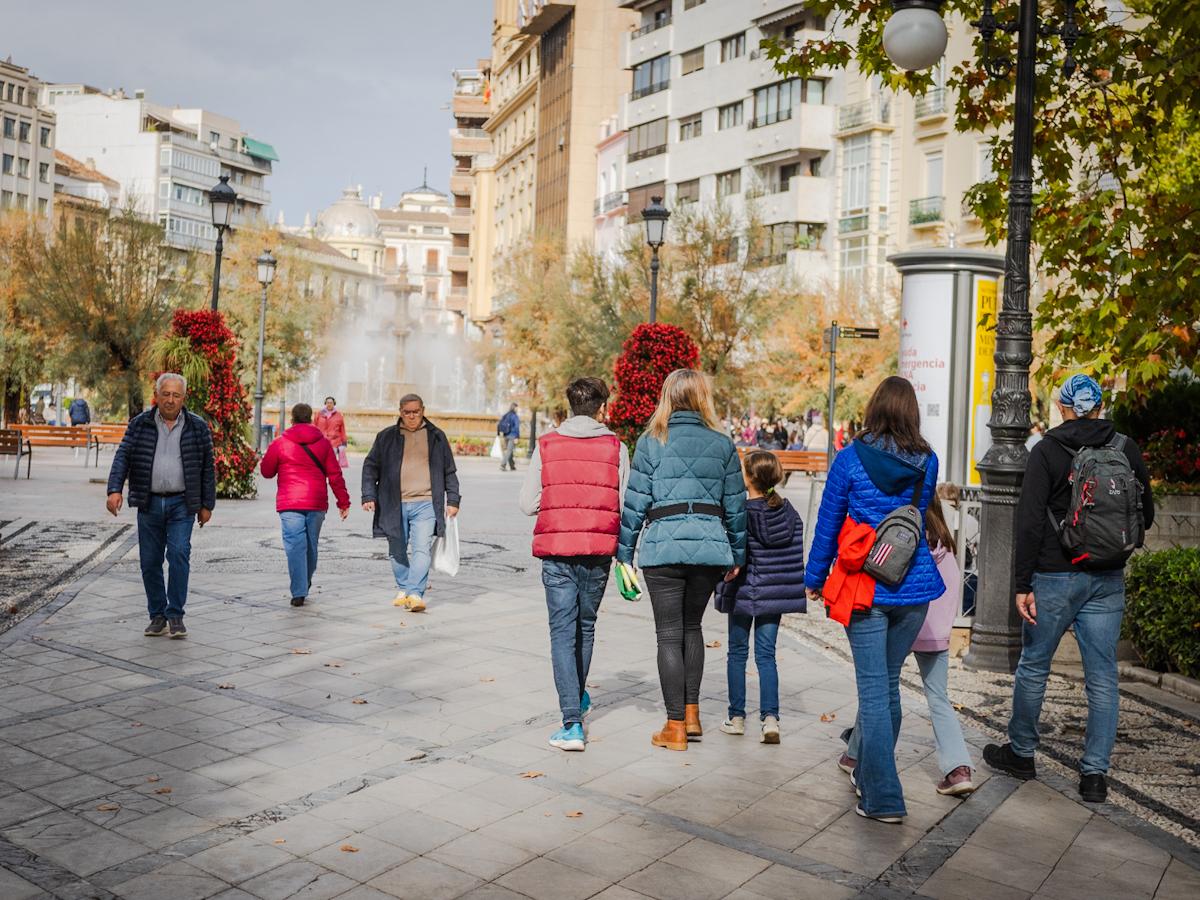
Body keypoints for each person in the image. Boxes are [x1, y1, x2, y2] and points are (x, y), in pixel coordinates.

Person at [984, 374, 1154, 804]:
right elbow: (1145, 513)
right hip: (1108, 578)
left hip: (1054, 576)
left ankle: (1022, 753)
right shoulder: (1125, 448)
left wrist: (1023, 584)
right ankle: (1095, 776)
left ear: (1061, 407)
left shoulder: (1047, 451)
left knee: (1035, 666)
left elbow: (1029, 520)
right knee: (1102, 678)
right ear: (1098, 408)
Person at [805, 376, 942, 824]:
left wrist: (813, 576)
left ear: (874, 408)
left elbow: (829, 522)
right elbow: (916, 519)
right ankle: (864, 769)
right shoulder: (928, 460)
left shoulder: (849, 460)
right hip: (914, 585)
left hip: (866, 585)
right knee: (885, 685)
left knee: (874, 691)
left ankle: (883, 797)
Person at [618, 369, 747, 752]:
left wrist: (624, 552)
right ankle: (691, 715)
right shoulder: (722, 444)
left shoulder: (651, 442)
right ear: (702, 398)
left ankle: (674, 726)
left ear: (667, 398)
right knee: (693, 627)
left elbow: (635, 501)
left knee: (669, 634)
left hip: (663, 547)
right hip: (709, 548)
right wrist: (737, 554)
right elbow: (736, 506)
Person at [520, 377, 630, 752]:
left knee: (561, 633)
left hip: (556, 550)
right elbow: (623, 501)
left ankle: (572, 723)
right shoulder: (617, 447)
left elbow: (527, 502)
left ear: (570, 406)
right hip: (598, 551)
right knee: (585, 626)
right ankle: (577, 698)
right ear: (602, 407)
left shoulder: (547, 445)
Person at [842, 493, 976, 797]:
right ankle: (958, 769)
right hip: (937, 635)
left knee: (879, 690)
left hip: (903, 627)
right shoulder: (948, 551)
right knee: (938, 697)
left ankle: (858, 758)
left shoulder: (908, 546)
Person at [106, 373, 215, 639]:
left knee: (179, 554)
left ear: (183, 398)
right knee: (150, 561)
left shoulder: (197, 426)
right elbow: (123, 456)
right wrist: (114, 489)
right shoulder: (140, 424)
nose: (170, 399)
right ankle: (157, 615)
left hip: (182, 503)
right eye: (165, 394)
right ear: (157, 395)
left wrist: (206, 505)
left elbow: (207, 467)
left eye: (176, 395)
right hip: (149, 501)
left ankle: (175, 615)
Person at [714, 450, 806, 744]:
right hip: (773, 593)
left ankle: (737, 716)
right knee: (766, 655)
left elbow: (730, 552)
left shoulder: (741, 512)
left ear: (750, 477)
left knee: (737, 653)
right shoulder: (788, 512)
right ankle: (770, 719)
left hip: (742, 591)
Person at [362, 394, 460, 613]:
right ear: (400, 412)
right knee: (396, 550)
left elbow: (449, 471)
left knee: (421, 549)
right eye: (407, 412)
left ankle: (415, 593)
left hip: (425, 503)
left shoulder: (436, 437)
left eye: (416, 411)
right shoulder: (386, 437)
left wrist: (452, 499)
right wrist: (368, 495)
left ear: (423, 410)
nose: (412, 416)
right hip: (393, 504)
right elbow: (370, 467)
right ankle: (405, 586)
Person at [261, 403, 351, 607]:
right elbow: (335, 475)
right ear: (311, 418)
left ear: (291, 419)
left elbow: (267, 472)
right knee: (311, 545)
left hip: (289, 502)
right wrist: (343, 502)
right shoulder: (323, 443)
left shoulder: (280, 442)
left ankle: (299, 590)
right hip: (316, 502)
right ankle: (304, 583)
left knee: (295, 547)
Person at [316, 396, 349, 469]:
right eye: (327, 402)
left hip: (334, 442)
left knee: (331, 461)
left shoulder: (339, 415)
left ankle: (331, 473)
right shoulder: (319, 414)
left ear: (334, 404)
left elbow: (342, 429)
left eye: (331, 403)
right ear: (325, 403)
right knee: (321, 460)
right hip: (321, 441)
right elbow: (314, 426)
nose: (329, 404)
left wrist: (344, 442)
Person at [498, 403, 520, 471]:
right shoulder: (515, 416)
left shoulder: (506, 415)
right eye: (517, 408)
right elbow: (516, 427)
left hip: (506, 435)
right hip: (512, 435)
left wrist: (500, 433)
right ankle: (503, 465)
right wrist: (517, 437)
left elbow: (500, 424)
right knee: (509, 451)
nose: (518, 409)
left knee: (509, 450)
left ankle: (512, 465)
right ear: (514, 408)